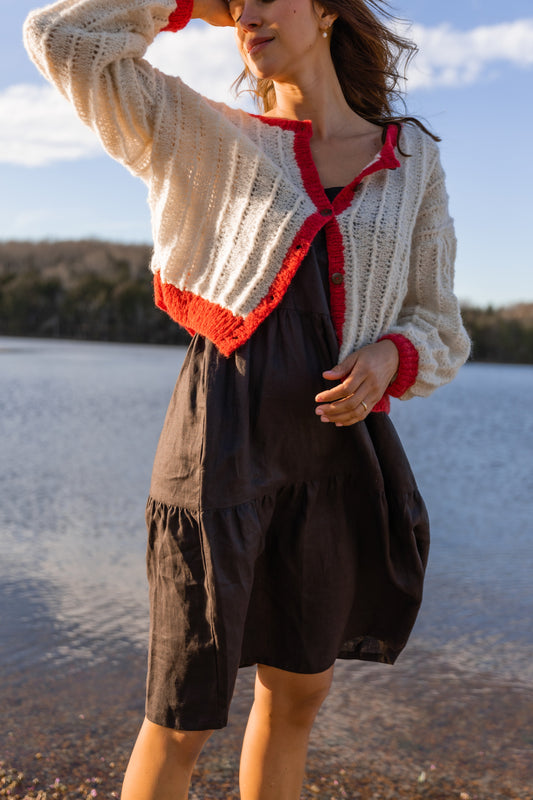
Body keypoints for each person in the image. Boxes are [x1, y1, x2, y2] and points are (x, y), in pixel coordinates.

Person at [24, 0, 470, 797]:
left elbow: (437, 319)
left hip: (335, 454)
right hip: (217, 443)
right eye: (239, 3)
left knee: (298, 692)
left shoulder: (411, 161)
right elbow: (61, 37)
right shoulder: (202, 133)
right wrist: (186, 1)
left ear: (328, 11)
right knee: (183, 712)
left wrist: (389, 353)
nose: (251, 15)